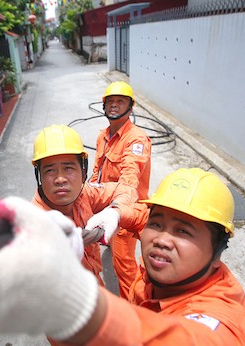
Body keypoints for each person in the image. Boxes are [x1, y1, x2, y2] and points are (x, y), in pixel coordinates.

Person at [0, 168, 245, 345]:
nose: (161, 240)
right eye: (158, 224)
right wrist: (116, 217)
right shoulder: (157, 277)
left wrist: (75, 305)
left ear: (218, 253)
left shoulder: (222, 319)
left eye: (183, 231)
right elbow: (137, 215)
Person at [30, 124, 148, 287]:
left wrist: (116, 211)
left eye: (68, 168)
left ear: (83, 171)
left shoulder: (84, 193)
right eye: (50, 170)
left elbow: (125, 189)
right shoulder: (34, 223)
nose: (60, 179)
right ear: (39, 176)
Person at [89, 80, 152, 299]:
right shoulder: (102, 136)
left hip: (125, 212)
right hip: (106, 208)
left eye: (120, 101)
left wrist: (117, 210)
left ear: (130, 107)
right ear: (104, 106)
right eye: (110, 101)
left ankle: (134, 314)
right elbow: (97, 171)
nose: (114, 105)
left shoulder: (136, 139)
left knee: (124, 268)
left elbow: (129, 178)